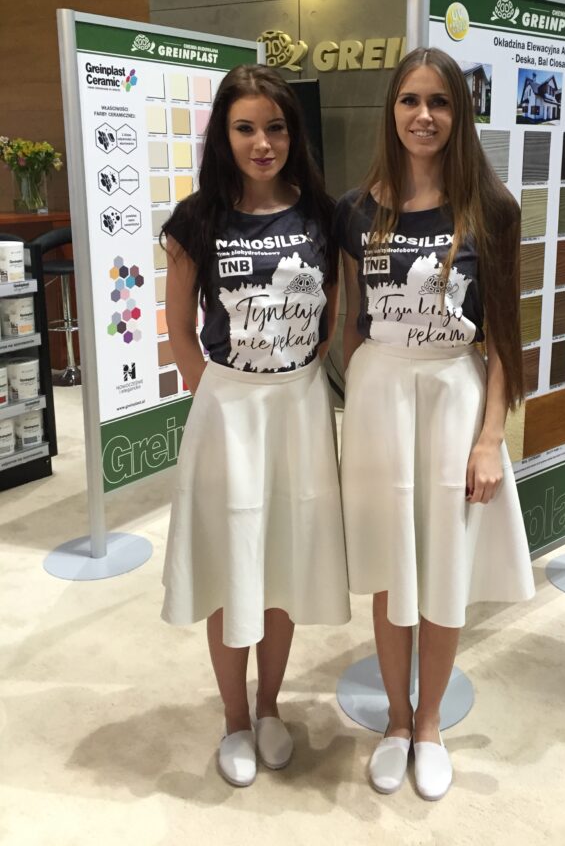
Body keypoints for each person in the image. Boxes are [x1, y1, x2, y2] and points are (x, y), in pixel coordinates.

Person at [335, 47, 535, 800]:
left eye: (440, 102)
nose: (424, 116)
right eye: (411, 100)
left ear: (460, 113)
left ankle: (429, 726)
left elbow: (504, 334)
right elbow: (349, 321)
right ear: (392, 109)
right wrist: (358, 395)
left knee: (444, 568)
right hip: (379, 398)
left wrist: (490, 437)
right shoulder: (356, 210)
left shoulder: (493, 208)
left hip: (456, 394)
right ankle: (394, 719)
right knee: (392, 569)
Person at [160, 64, 350, 787]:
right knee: (230, 564)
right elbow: (180, 330)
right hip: (229, 412)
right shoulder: (196, 220)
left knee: (283, 563)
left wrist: (298, 374)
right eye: (245, 128)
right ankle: (234, 718)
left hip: (299, 409)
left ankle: (270, 706)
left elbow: (332, 311)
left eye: (274, 128)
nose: (262, 143)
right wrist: (220, 395)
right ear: (224, 135)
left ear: (292, 134)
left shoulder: (322, 214)